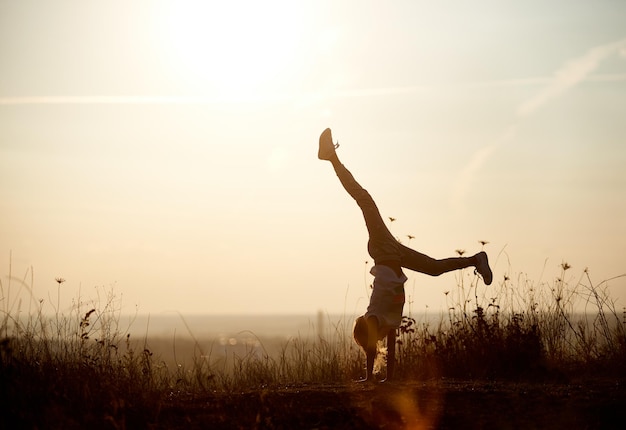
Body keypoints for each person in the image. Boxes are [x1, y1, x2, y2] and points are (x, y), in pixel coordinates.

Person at [318, 128, 493, 382]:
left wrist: (379, 378)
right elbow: (375, 349)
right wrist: (372, 377)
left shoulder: (387, 320)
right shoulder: (376, 317)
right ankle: (331, 156)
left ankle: (474, 260)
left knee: (433, 267)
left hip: (394, 264)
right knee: (365, 200)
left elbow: (387, 350)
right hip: (389, 254)